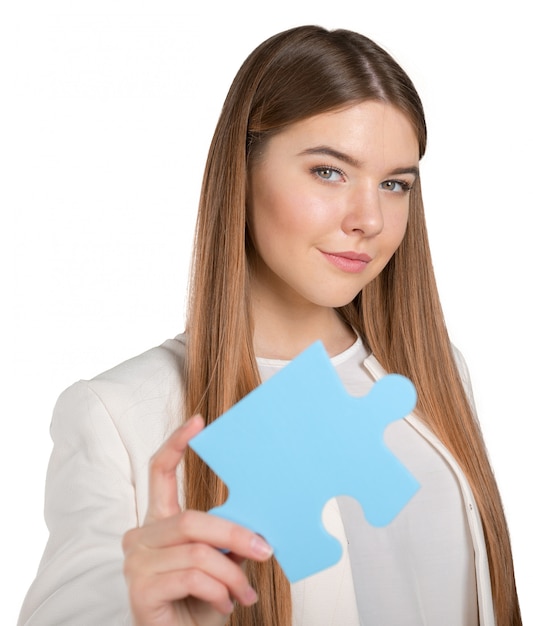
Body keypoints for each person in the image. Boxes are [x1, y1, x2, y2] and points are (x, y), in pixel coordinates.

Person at [18, 25, 521, 626]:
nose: (369, 218)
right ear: (244, 169)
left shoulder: (435, 372)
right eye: (329, 172)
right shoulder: (119, 416)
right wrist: (141, 615)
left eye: (394, 184)